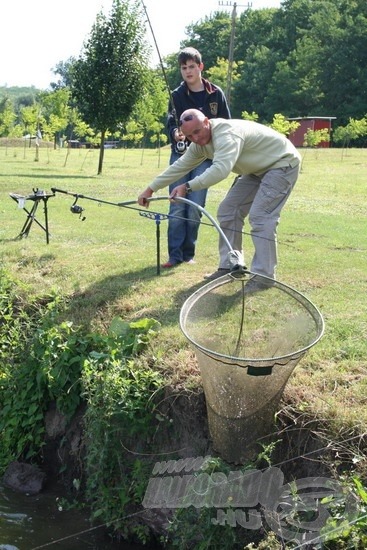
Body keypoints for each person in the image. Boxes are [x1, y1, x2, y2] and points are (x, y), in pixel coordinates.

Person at [138, 108, 301, 288]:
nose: (196, 139)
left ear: (207, 122)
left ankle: (264, 277)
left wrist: (188, 186)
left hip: (281, 163)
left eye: (197, 131)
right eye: (189, 136)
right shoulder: (199, 144)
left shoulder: (226, 133)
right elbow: (180, 166)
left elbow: (221, 169)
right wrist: (150, 189)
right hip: (256, 170)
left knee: (261, 217)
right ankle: (230, 266)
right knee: (228, 211)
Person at [162, 47, 231, 268]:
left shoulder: (215, 94)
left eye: (192, 66)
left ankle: (188, 253)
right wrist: (175, 132)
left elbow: (226, 125)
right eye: (184, 68)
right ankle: (174, 255)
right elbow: (171, 123)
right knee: (177, 204)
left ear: (200, 67)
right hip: (181, 156)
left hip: (206, 158)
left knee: (195, 206)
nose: (188, 71)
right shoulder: (176, 95)